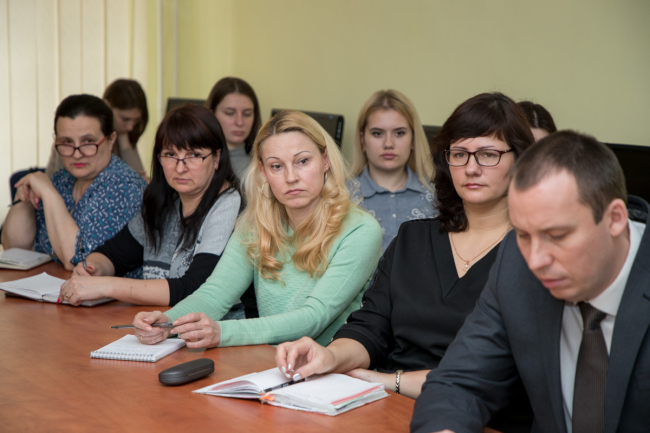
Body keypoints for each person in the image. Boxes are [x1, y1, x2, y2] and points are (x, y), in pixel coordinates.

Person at [276, 93, 535, 432]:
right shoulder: (414, 238)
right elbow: (370, 327)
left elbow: (504, 373)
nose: (471, 168)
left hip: (478, 419)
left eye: (488, 154)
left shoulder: (535, 254)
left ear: (521, 160)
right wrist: (331, 356)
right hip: (383, 407)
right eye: (459, 154)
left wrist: (388, 380)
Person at [411, 131, 650, 433]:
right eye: (523, 234)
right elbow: (459, 383)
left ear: (615, 218)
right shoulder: (516, 265)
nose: (536, 261)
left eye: (557, 236)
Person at [131, 110, 383, 349]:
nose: (291, 177)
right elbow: (215, 295)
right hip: (267, 364)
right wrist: (166, 322)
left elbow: (313, 318)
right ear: (263, 172)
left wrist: (222, 332)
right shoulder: (256, 223)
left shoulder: (360, 230)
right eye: (276, 166)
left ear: (325, 160)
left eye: (302, 161)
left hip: (332, 370)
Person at [57, 105, 242, 310]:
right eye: (170, 154)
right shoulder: (164, 202)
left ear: (216, 158)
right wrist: (92, 269)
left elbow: (195, 289)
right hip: (158, 323)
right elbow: (114, 255)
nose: (180, 167)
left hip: (216, 327)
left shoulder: (231, 207)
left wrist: (106, 286)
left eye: (194, 155)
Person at [1, 94, 147, 270]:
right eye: (67, 142)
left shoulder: (125, 186)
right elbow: (15, 248)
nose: (77, 154)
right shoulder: (62, 178)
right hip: (53, 283)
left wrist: (49, 193)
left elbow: (77, 260)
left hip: (103, 289)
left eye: (88, 141)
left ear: (110, 140)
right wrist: (24, 198)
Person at [349, 89, 437, 250]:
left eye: (399, 133)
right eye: (377, 133)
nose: (388, 144)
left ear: (413, 140)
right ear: (362, 141)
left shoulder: (438, 195)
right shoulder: (339, 197)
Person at [46, 79, 150, 178]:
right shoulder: (74, 135)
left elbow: (139, 179)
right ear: (107, 106)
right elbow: (66, 181)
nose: (131, 127)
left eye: (136, 120)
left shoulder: (122, 132)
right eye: (125, 119)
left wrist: (123, 137)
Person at [205, 77, 261, 180]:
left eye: (247, 114)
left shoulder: (263, 167)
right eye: (229, 113)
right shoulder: (198, 163)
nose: (239, 122)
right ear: (212, 114)